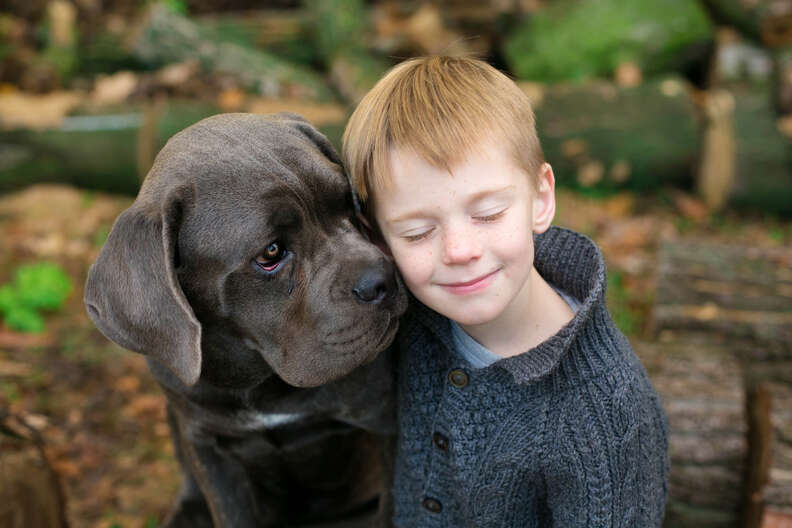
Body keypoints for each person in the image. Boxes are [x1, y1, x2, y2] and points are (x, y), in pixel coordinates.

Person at [341, 55, 669, 527]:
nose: (459, 250)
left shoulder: (605, 417)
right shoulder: (411, 316)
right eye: (416, 233)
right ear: (378, 238)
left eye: (489, 213)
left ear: (540, 198)